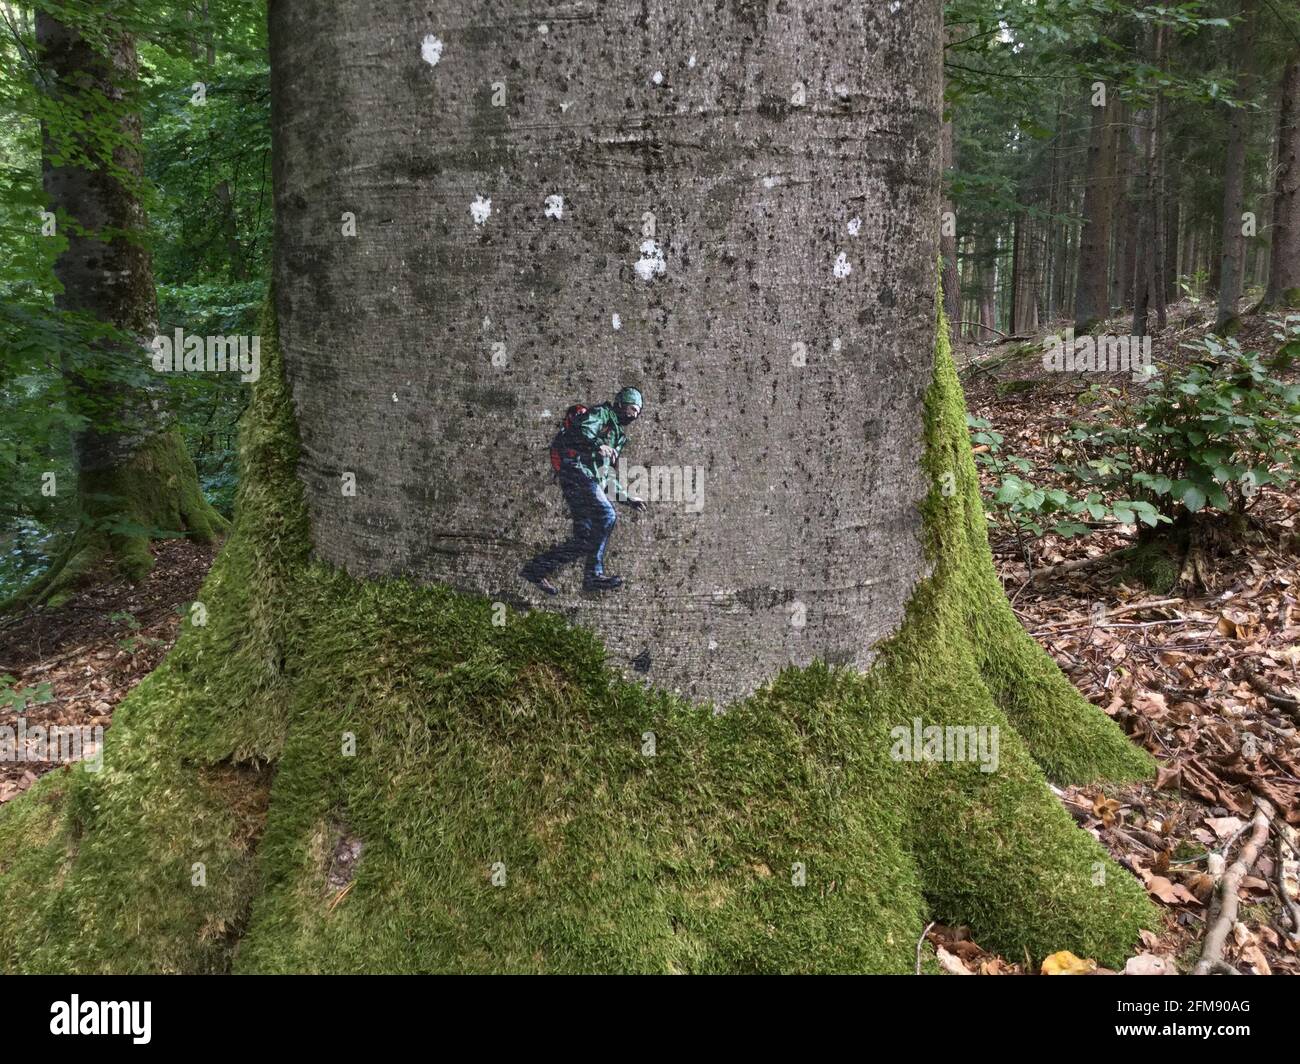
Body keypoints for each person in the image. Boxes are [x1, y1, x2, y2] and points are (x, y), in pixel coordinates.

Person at [522, 386, 647, 594]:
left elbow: (605, 477)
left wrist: (627, 498)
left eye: (637, 412)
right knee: (607, 515)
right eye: (632, 409)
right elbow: (580, 431)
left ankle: (536, 569)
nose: (634, 416)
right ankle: (593, 575)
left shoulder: (617, 435)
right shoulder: (601, 414)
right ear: (620, 404)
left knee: (585, 539)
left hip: (586, 479)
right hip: (577, 471)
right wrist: (598, 445)